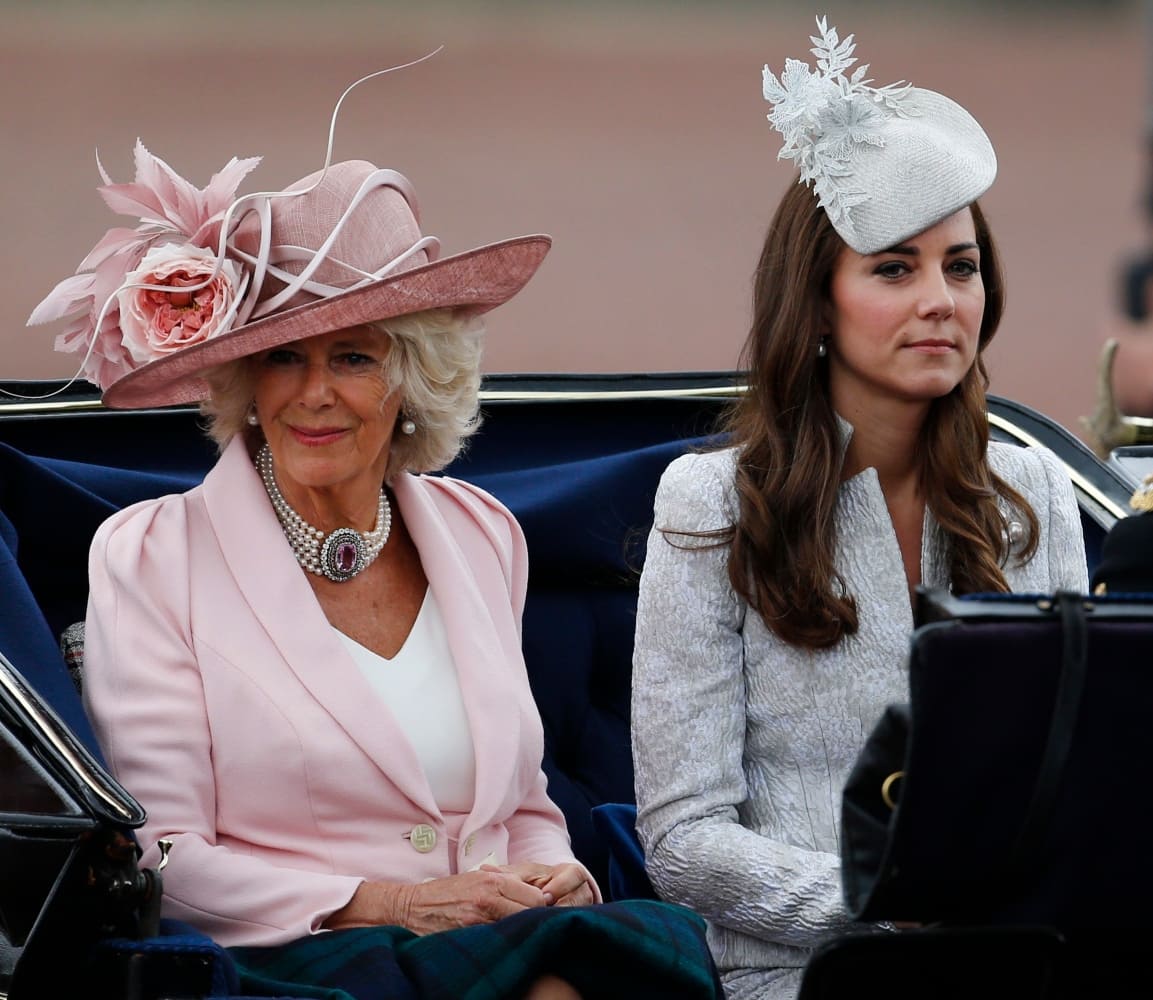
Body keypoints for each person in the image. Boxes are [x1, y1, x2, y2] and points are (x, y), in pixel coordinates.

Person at [27, 85, 722, 999]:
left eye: (354, 357)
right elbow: (161, 854)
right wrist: (390, 902)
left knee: (636, 950)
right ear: (244, 380)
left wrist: (556, 874)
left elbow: (520, 808)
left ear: (415, 378)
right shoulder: (152, 555)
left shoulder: (481, 534)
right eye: (282, 356)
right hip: (298, 958)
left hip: (493, 944)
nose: (313, 392)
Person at [629, 16, 1090, 1000]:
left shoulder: (1036, 493)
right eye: (892, 267)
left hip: (1017, 964)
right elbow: (682, 838)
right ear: (816, 301)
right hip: (801, 975)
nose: (939, 299)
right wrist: (886, 903)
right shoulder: (711, 504)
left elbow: (1074, 780)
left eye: (959, 266)